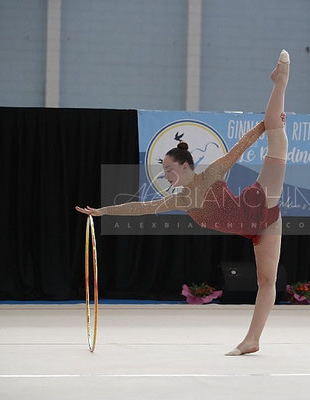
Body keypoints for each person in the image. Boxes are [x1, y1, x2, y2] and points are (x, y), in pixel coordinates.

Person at [76, 49, 290, 356]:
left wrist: (263, 127)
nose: (164, 174)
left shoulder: (212, 174)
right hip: (255, 231)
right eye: (162, 170)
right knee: (265, 281)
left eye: (168, 169)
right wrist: (102, 211)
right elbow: (141, 208)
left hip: (261, 205)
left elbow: (239, 149)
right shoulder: (180, 200)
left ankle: (280, 81)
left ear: (186, 165)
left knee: (277, 138)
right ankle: (252, 341)